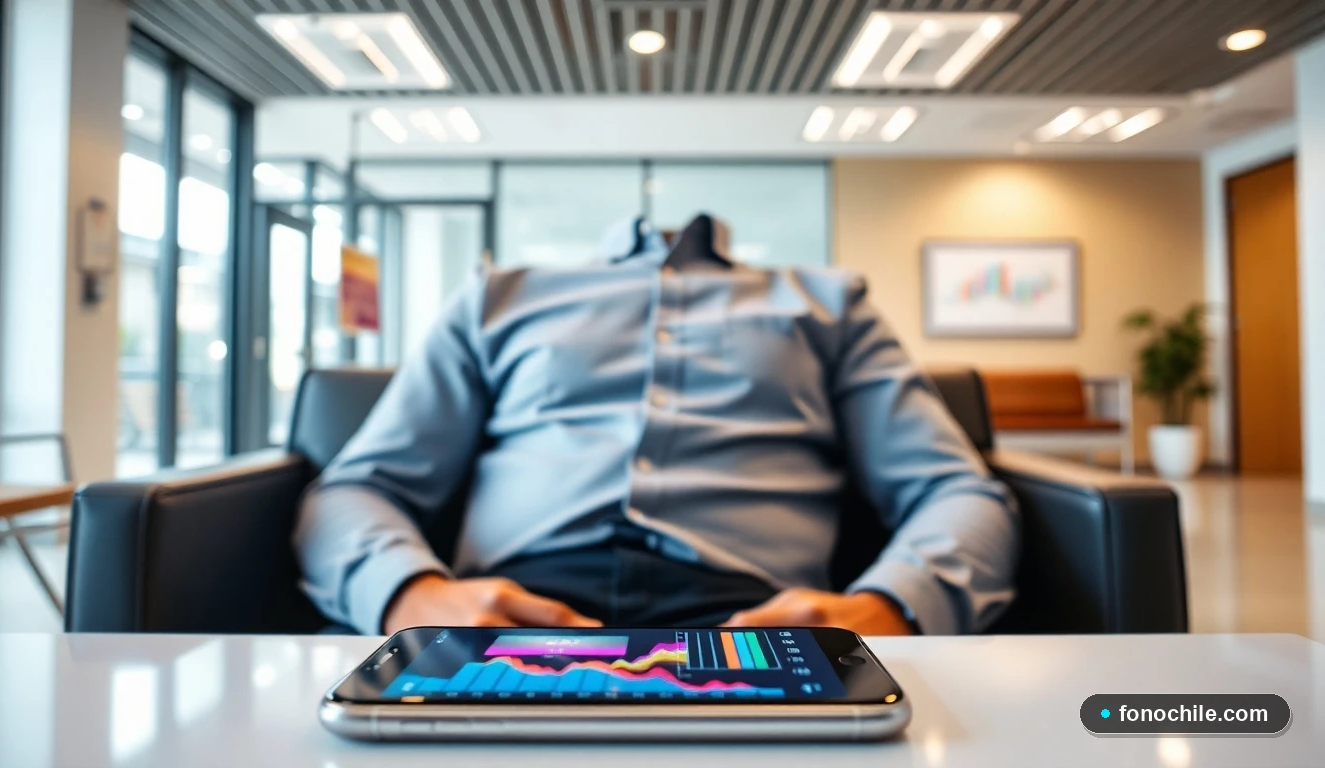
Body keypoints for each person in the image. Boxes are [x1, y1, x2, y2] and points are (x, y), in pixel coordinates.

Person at [295, 214, 1018, 637]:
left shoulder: (830, 302)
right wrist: (410, 595)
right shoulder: (497, 298)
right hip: (508, 615)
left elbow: (959, 493)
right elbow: (355, 490)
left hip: (755, 618)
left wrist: (885, 609)